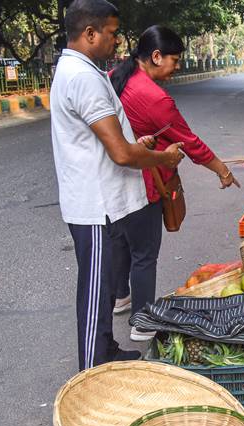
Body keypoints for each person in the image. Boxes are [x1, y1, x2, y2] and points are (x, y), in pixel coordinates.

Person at [50, 0, 184, 371]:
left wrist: (135, 145)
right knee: (95, 295)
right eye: (110, 34)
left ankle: (106, 348)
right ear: (90, 33)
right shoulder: (84, 78)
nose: (115, 41)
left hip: (102, 201)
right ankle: (92, 372)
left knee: (106, 285)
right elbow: (121, 155)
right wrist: (162, 159)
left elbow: (107, 142)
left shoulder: (81, 70)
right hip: (93, 205)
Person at [109, 25, 241, 341]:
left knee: (124, 241)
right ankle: (143, 323)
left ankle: (120, 296)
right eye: (175, 59)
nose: (177, 66)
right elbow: (189, 143)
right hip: (144, 182)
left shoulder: (117, 76)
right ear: (156, 56)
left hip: (115, 178)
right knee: (144, 253)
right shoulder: (153, 97)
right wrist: (222, 170)